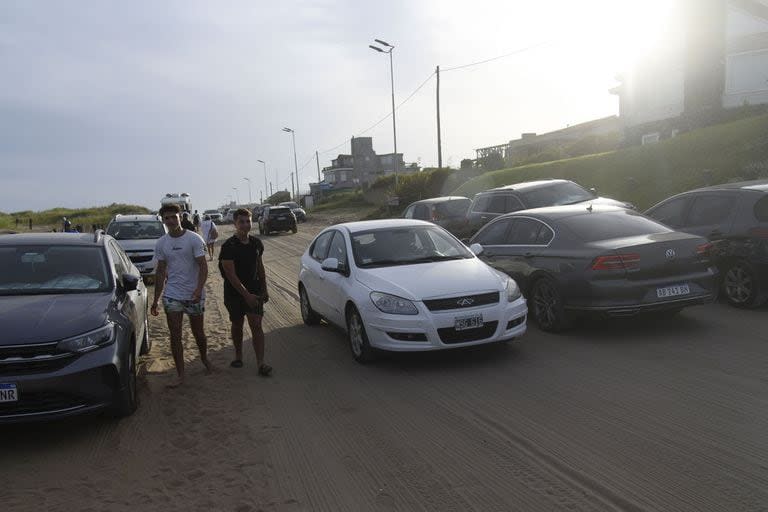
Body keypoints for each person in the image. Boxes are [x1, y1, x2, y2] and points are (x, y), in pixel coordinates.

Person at [151, 203, 214, 387]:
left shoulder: (194, 239)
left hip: (194, 294)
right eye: (167, 218)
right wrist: (155, 299)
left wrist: (198, 289)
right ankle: (181, 374)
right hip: (172, 295)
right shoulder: (161, 243)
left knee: (198, 333)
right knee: (175, 334)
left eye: (174, 217)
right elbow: (161, 271)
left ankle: (205, 360)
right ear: (163, 221)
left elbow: (203, 266)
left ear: (181, 217)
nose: (171, 220)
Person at [219, 208, 272, 376]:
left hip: (255, 291)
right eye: (241, 221)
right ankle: (238, 355)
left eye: (248, 221)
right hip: (234, 293)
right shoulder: (228, 246)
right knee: (237, 324)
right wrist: (246, 295)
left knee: (256, 325)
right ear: (235, 224)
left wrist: (264, 289)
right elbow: (230, 275)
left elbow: (260, 267)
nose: (245, 224)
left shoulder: (257, 243)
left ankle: (261, 363)